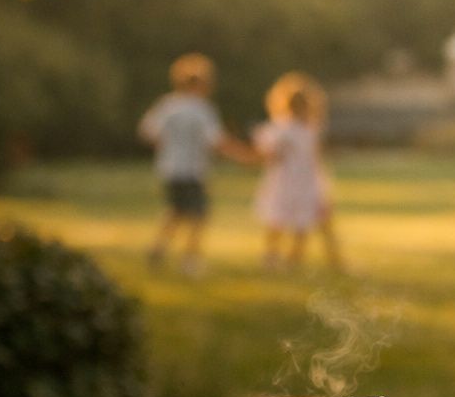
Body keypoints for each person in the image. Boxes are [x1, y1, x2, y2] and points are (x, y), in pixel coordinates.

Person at [139, 52, 252, 276]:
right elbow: (216, 141)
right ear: (202, 83)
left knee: (176, 210)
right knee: (199, 214)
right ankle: (190, 259)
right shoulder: (202, 109)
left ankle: (158, 249)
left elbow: (147, 131)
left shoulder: (167, 105)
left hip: (169, 167)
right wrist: (243, 156)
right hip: (192, 169)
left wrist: (166, 145)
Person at [252, 71, 343, 272]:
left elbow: (314, 159)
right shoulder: (281, 129)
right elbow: (268, 154)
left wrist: (322, 183)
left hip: (305, 180)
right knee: (279, 219)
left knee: (302, 222)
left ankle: (293, 260)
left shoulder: (310, 129)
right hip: (285, 180)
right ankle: (272, 257)